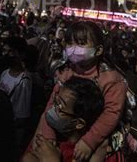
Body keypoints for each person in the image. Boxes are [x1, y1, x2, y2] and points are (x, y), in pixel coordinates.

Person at [32, 21, 127, 162]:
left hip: (98, 131)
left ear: (99, 50)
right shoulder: (65, 71)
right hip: (67, 125)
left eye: (81, 43)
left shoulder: (111, 78)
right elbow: (52, 103)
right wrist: (49, 135)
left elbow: (112, 113)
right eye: (70, 43)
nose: (73, 49)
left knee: (102, 146)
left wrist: (89, 142)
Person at [23, 77, 105, 162]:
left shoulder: (87, 153)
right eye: (55, 101)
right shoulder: (49, 133)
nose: (52, 109)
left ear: (79, 123)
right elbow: (27, 158)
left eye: (60, 106)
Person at [0, 36, 33, 155]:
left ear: (21, 55)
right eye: (4, 51)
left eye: (10, 52)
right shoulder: (5, 73)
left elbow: (22, 117)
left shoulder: (23, 81)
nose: (6, 54)